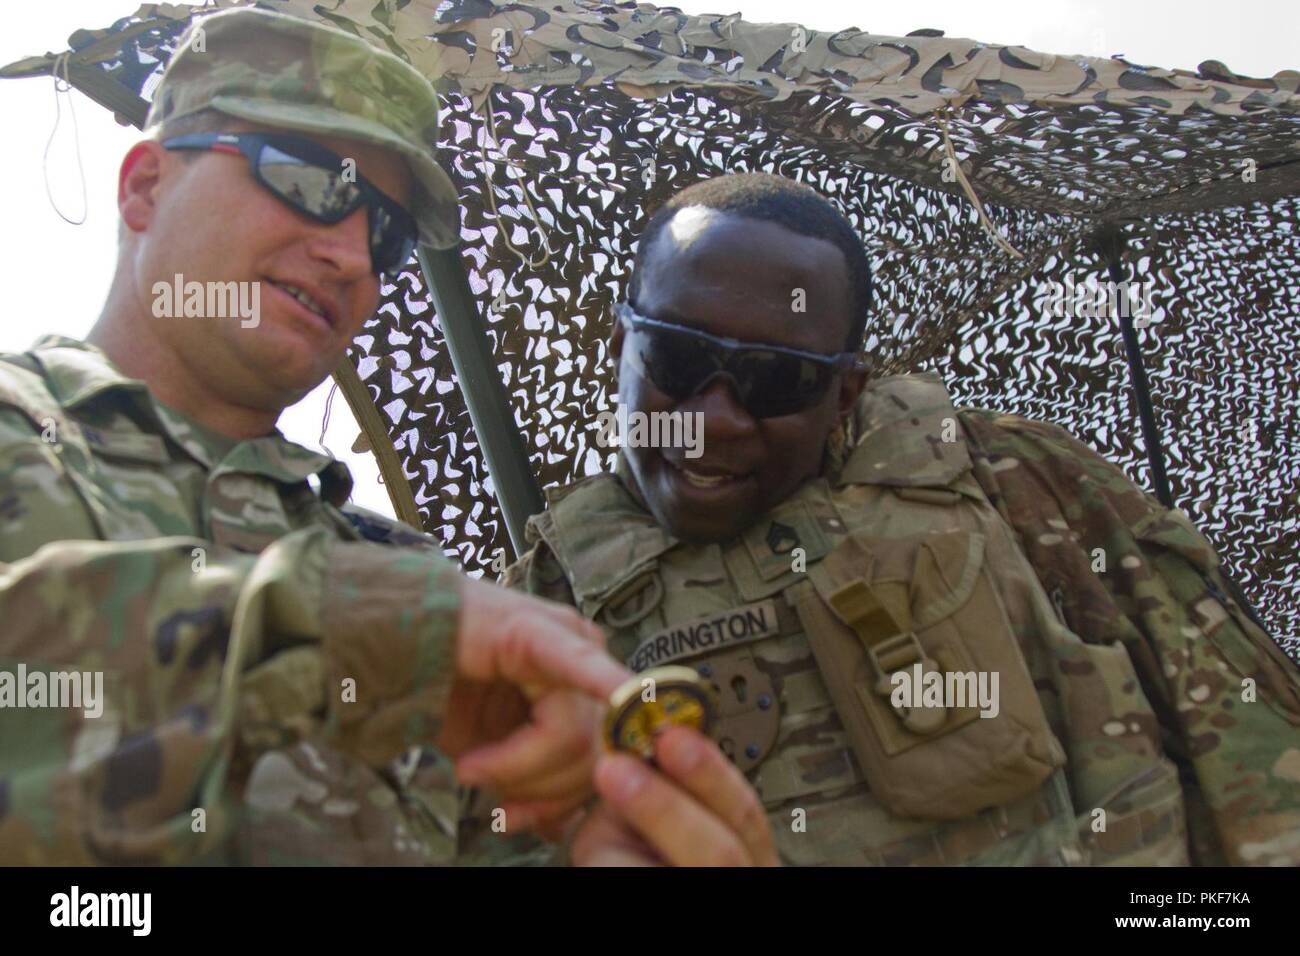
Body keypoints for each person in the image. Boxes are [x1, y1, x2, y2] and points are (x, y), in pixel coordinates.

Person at [503, 172, 1300, 867]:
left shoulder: (1015, 485)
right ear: (621, 345)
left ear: (845, 392)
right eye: (677, 361)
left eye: (776, 380)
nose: (715, 420)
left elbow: (1250, 751)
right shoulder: (542, 611)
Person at [0, 7, 632, 866]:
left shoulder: (400, 571)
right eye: (309, 178)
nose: (352, 257)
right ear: (146, 184)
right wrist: (315, 629)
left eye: (388, 233)